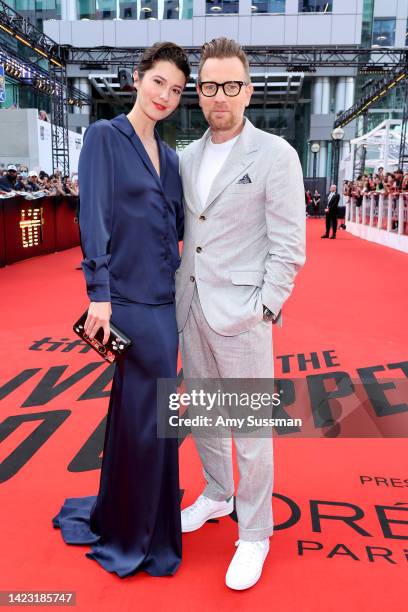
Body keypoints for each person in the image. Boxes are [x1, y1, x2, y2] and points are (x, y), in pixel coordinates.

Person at [53, 42, 190, 578]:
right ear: (137, 79)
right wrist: (98, 293)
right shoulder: (104, 138)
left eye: (177, 90)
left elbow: (175, 227)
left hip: (166, 299)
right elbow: (95, 216)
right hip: (126, 301)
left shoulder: (173, 158)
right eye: (158, 82)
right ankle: (138, 531)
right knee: (151, 415)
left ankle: (125, 514)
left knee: (146, 413)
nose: (166, 96)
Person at [176, 37, 305, 590]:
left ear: (248, 91)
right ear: (199, 94)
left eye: (231, 86)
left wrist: (265, 308)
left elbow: (290, 245)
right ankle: (215, 494)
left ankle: (254, 533)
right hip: (190, 306)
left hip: (243, 313)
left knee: (251, 431)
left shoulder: (277, 154)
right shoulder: (185, 157)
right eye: (209, 87)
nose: (219, 97)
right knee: (204, 414)